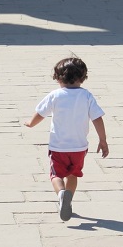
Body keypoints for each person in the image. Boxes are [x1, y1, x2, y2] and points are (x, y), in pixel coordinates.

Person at [24, 56, 108, 222]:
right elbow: (97, 118)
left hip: (58, 147)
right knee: (73, 174)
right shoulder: (86, 96)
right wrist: (103, 140)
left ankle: (61, 193)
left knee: (56, 175)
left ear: (58, 77)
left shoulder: (55, 95)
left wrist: (30, 123)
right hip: (79, 147)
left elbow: (40, 114)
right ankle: (69, 197)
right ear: (83, 78)